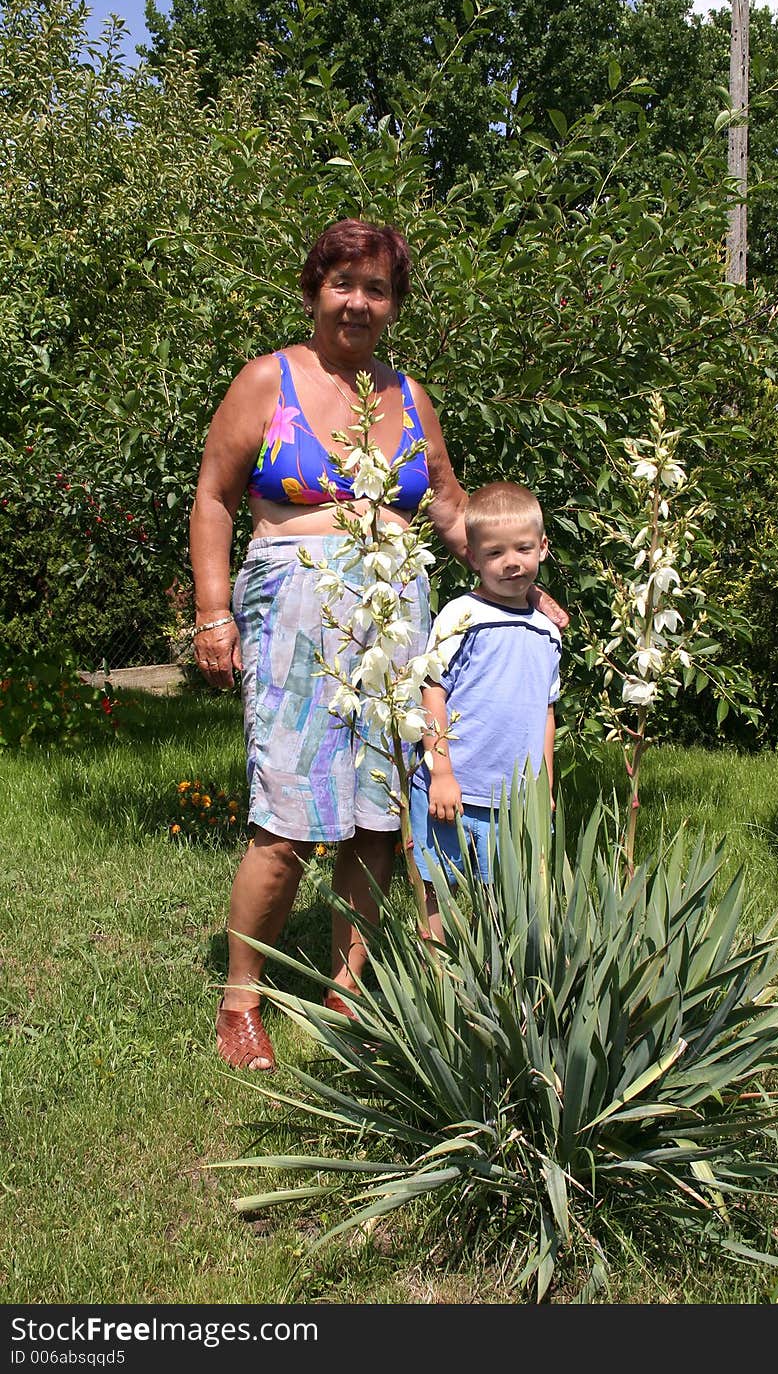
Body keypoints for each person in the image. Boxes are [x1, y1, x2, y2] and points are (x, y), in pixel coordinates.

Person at [190, 219, 565, 1071]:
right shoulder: (268, 380)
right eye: (343, 284)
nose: (358, 303)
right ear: (314, 289)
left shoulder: (409, 396)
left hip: (395, 623)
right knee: (283, 821)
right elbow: (213, 497)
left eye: (378, 290)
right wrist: (214, 614)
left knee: (378, 813)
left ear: (394, 306)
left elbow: (446, 504)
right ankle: (241, 997)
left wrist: (520, 580)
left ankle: (349, 988)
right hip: (293, 615)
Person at [409, 482, 561, 935]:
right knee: (439, 891)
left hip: (515, 801)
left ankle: (497, 982)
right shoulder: (460, 616)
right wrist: (440, 772)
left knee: (510, 895)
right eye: (494, 553)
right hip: (454, 789)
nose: (511, 562)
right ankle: (436, 981)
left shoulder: (548, 631)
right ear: (473, 558)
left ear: (542, 548)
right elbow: (432, 693)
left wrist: (545, 787)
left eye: (523, 548)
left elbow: (545, 715)